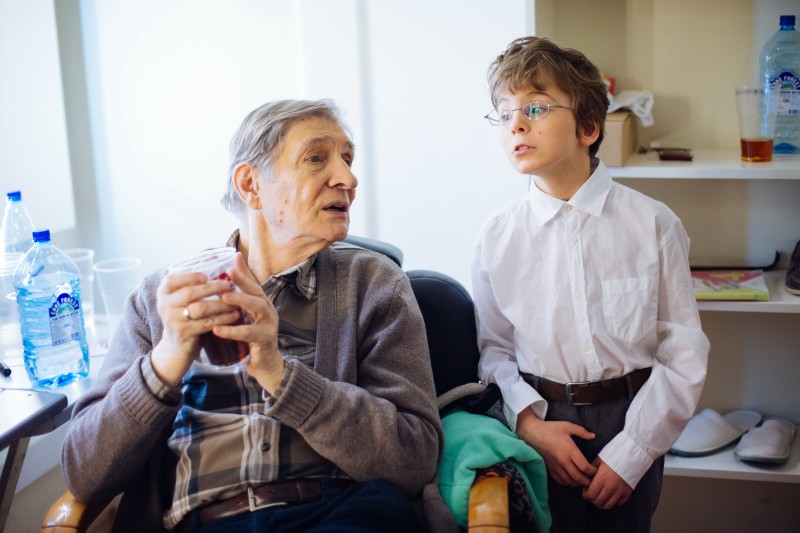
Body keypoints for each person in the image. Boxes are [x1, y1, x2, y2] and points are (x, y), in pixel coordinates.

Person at [62, 99, 455, 532]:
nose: (347, 178)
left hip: (340, 513)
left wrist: (278, 373)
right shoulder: (162, 299)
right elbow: (84, 473)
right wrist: (164, 362)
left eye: (347, 159)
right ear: (251, 185)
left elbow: (414, 459)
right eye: (316, 158)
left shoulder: (374, 284)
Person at [471, 37, 710, 532]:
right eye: (505, 113)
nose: (516, 124)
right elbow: (494, 352)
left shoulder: (653, 224)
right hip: (541, 421)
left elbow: (682, 352)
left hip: (633, 417)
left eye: (535, 108)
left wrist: (634, 450)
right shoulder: (495, 237)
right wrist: (530, 426)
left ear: (588, 127)